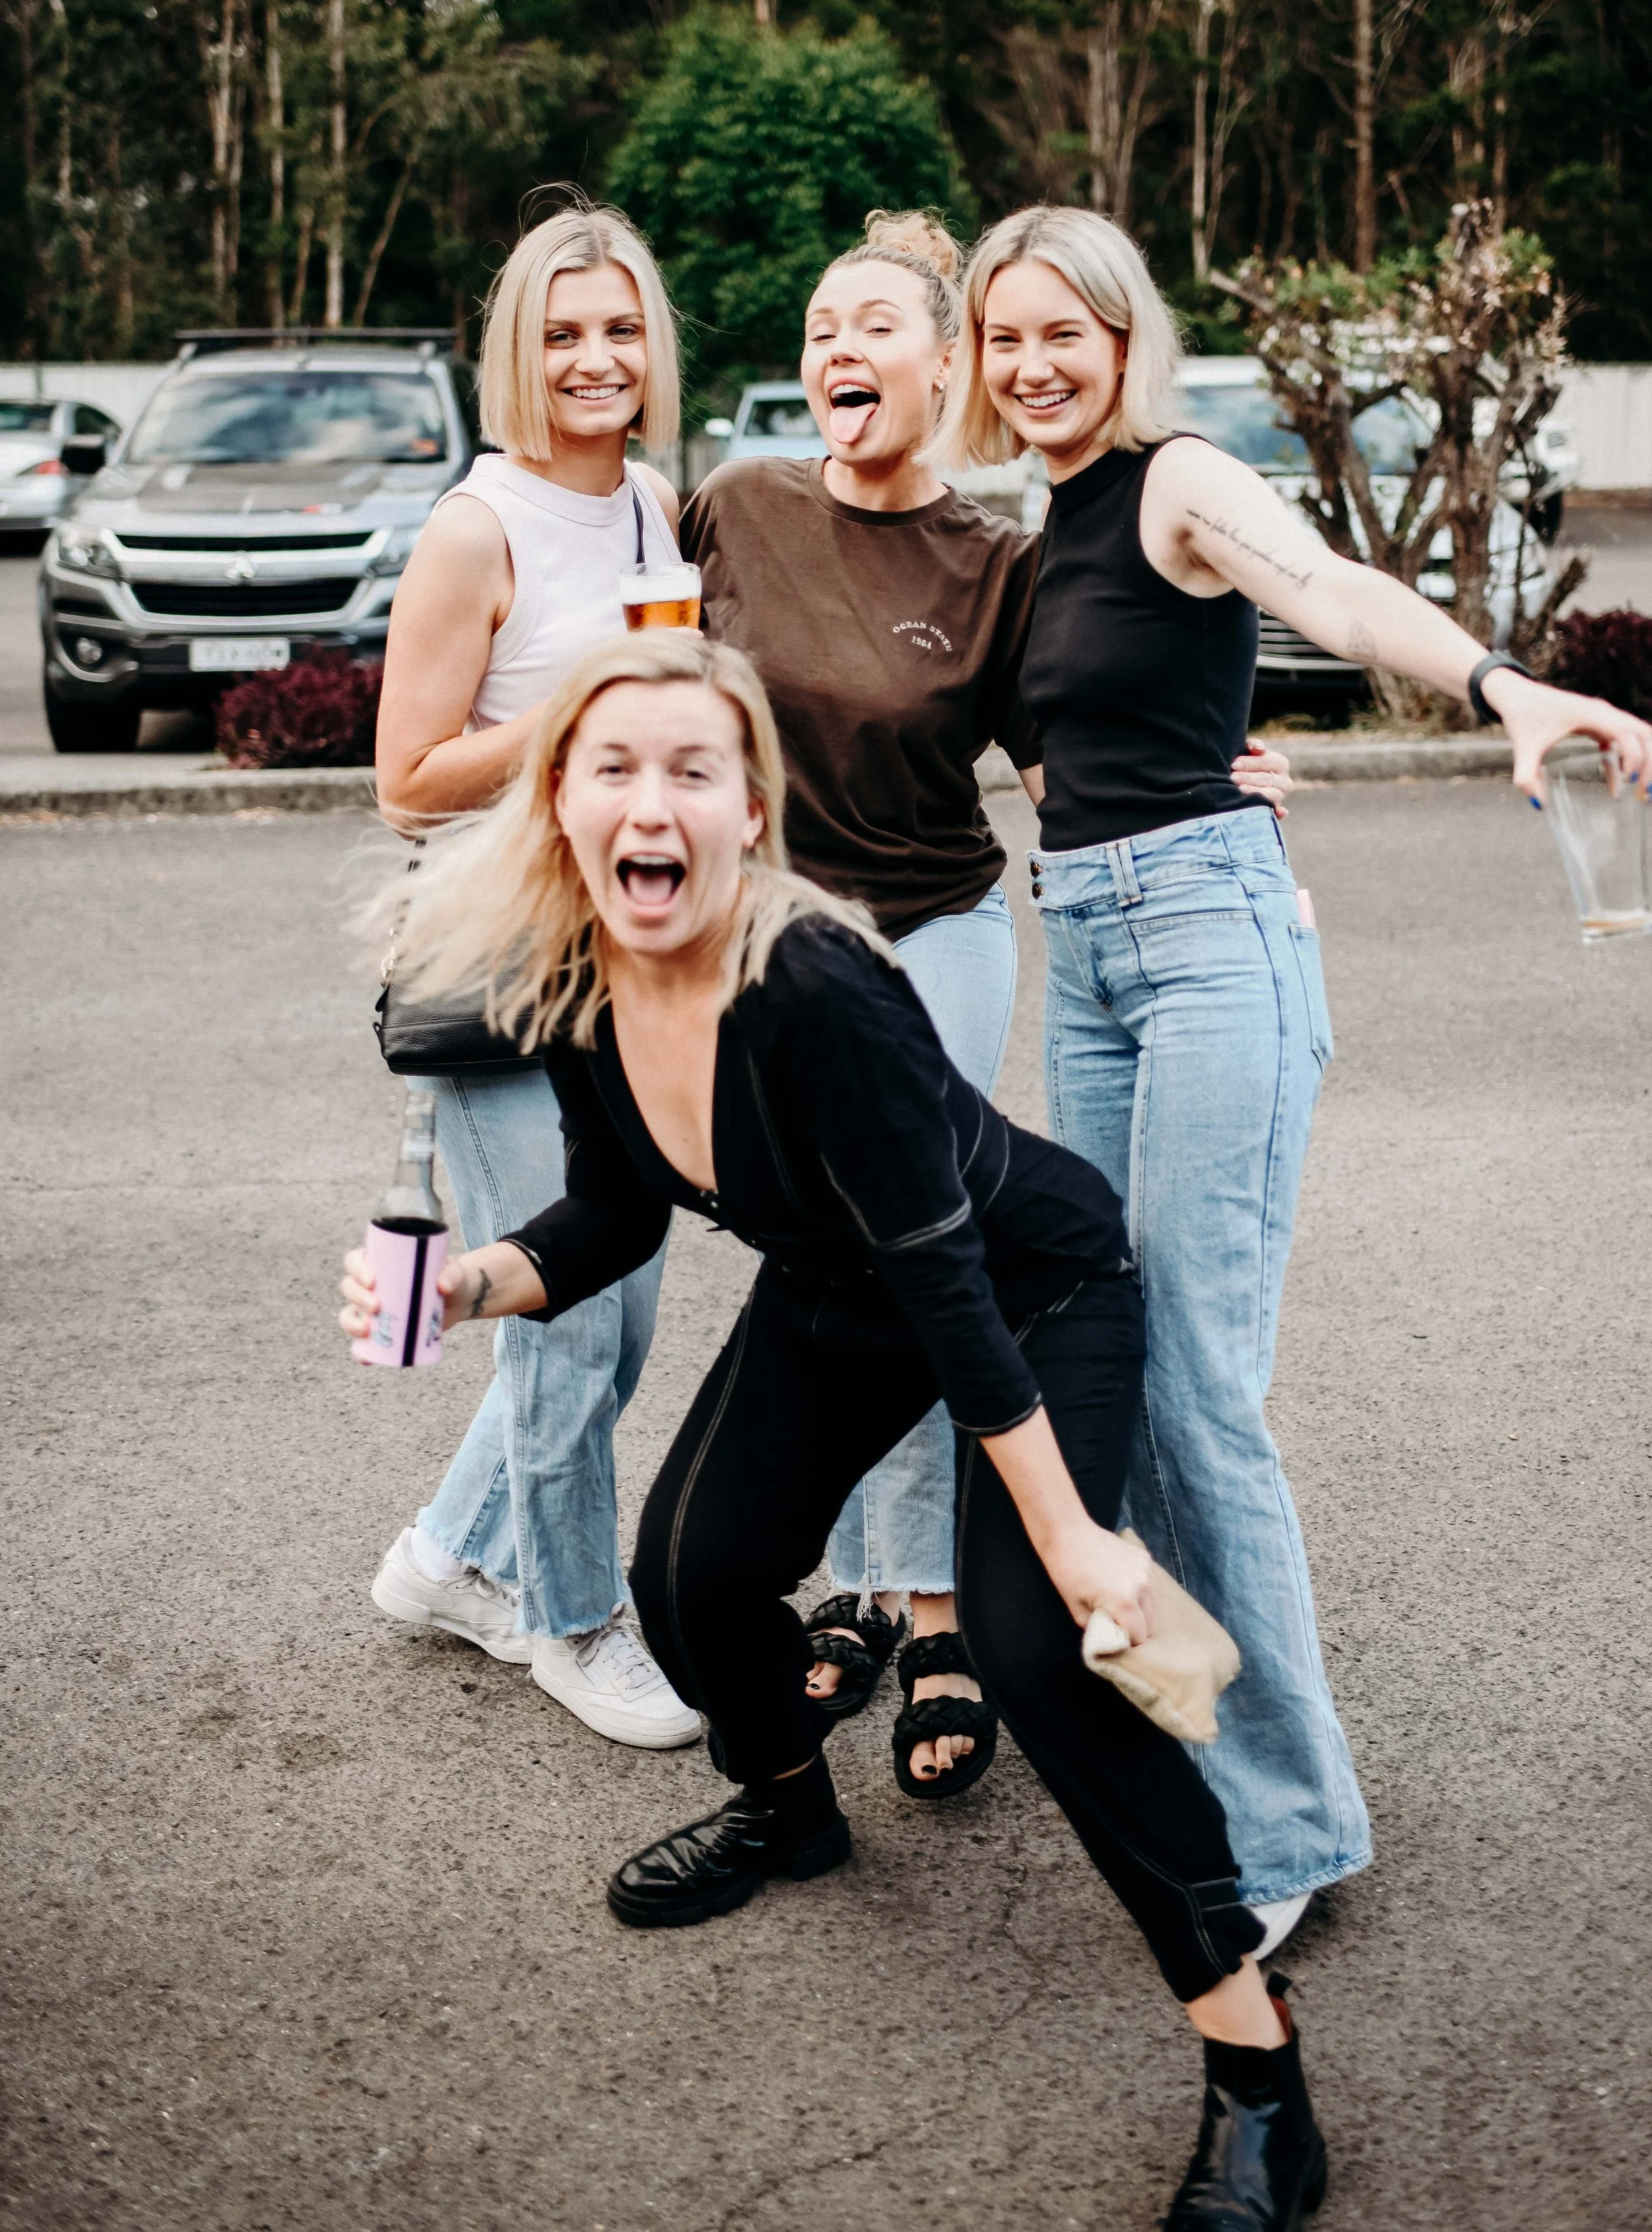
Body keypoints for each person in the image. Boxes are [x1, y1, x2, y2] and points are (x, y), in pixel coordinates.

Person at [341, 631, 1332, 2230]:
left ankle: (1257, 2076)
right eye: (613, 766)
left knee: (1038, 1659)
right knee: (692, 1575)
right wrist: (468, 1286)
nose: (649, 801)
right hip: (837, 1282)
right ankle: (788, 1808)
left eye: (691, 770)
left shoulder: (814, 992)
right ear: (560, 805)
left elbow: (951, 1290)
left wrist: (1077, 1544)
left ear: (748, 812)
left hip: (1028, 1287)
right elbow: (610, 1206)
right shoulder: (578, 980)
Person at [932, 202, 1652, 1953]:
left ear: (1124, 345)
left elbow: (1318, 586)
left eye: (1065, 336)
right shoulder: (1051, 521)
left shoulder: (1178, 477)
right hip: (1096, 951)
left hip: (1201, 948)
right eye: (1004, 338)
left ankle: (1284, 1829)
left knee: (1193, 1381)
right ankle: (1196, 1725)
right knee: (1114, 1340)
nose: (1032, 366)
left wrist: (1494, 681)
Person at [682, 207, 1291, 1797]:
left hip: (931, 933)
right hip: (764, 956)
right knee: (827, 1271)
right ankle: (876, 1585)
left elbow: (1064, 757)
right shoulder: (733, 507)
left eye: (869, 327)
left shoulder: (996, 559)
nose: (833, 352)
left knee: (919, 1260)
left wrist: (1214, 789)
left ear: (941, 365)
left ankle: (942, 1619)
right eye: (816, 328)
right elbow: (635, 691)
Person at [367, 197, 699, 1751]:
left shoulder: (654, 508)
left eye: (619, 327)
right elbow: (406, 775)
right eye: (562, 333)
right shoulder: (474, 525)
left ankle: (445, 1558)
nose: (594, 356)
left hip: (626, 960)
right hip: (500, 966)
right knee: (568, 1322)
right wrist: (577, 699)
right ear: (518, 352)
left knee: (618, 1312)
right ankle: (575, 1622)